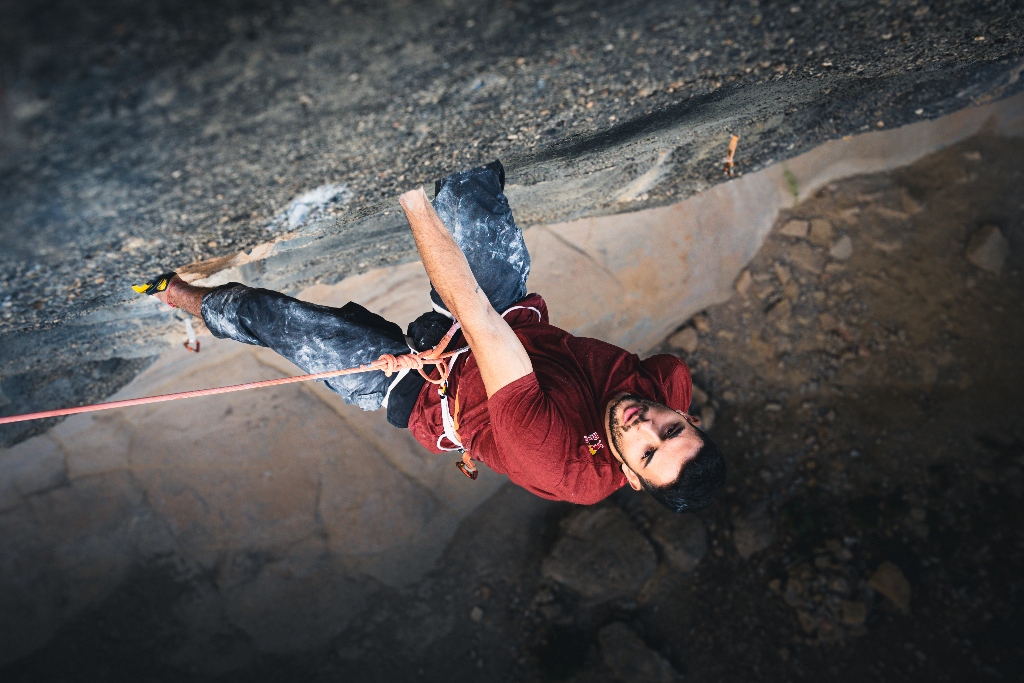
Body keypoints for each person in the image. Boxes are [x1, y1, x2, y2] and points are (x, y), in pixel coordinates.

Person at [142, 161, 725, 511]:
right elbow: (485, 313)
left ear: (631, 478)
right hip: (511, 321)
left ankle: (175, 294)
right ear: (688, 416)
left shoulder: (557, 461)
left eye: (647, 452)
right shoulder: (667, 381)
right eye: (670, 427)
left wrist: (411, 196)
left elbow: (472, 313)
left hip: (423, 388)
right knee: (471, 198)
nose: (644, 425)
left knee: (273, 318)